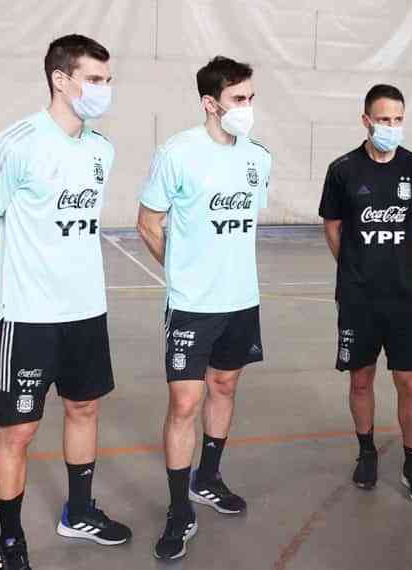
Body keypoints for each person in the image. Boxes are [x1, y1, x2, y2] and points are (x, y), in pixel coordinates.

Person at [0, 34, 132, 570]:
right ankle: (10, 540)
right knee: (19, 430)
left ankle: (78, 512)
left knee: (84, 408)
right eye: (95, 79)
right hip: (29, 318)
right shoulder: (13, 145)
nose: (104, 89)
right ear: (61, 79)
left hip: (86, 312)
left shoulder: (101, 149)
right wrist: (17, 283)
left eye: (108, 80)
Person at [137, 56, 271, 561]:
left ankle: (208, 477)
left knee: (225, 386)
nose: (247, 107)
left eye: (251, 97)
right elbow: (148, 221)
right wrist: (180, 271)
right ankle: (179, 509)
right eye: (238, 99)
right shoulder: (177, 154)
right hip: (193, 306)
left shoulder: (259, 158)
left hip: (241, 301)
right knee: (184, 404)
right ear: (210, 103)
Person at [319, 84, 412, 505]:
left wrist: (399, 264)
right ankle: (366, 452)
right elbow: (333, 226)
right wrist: (356, 267)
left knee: (410, 381)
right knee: (361, 379)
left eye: (398, 119)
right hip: (357, 298)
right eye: (384, 119)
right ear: (366, 121)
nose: (391, 126)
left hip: (403, 297)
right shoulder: (343, 170)